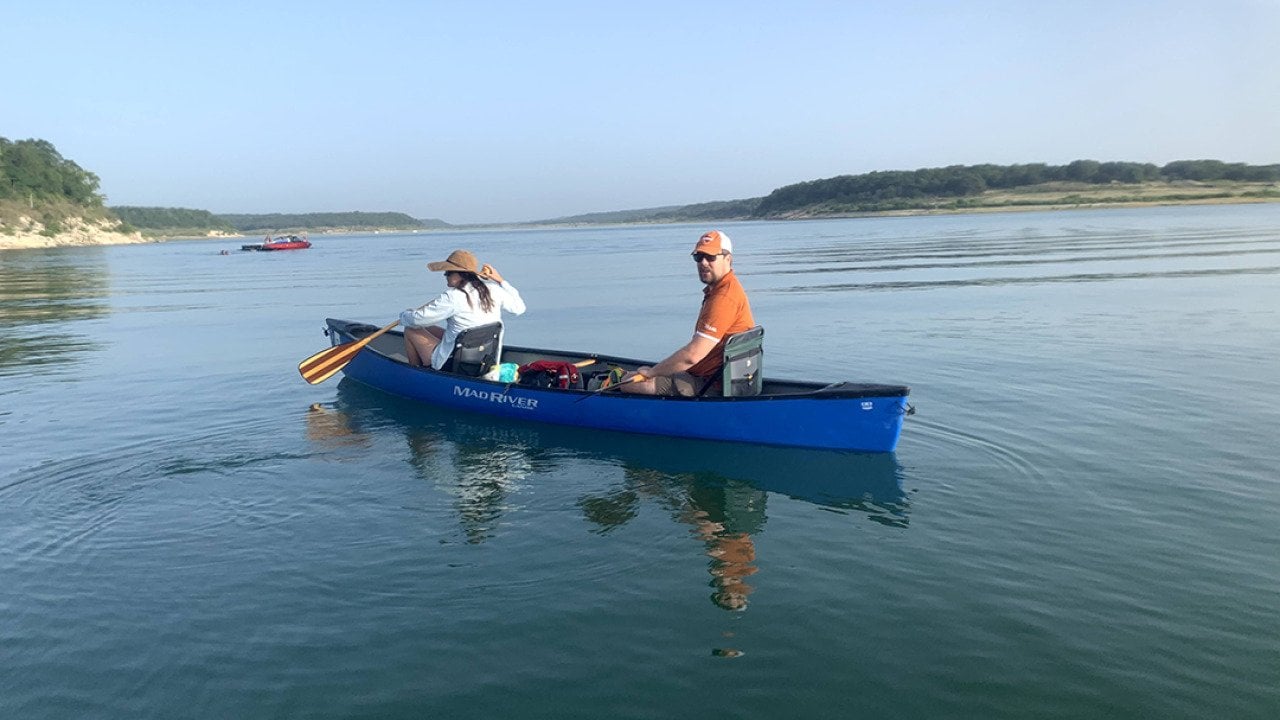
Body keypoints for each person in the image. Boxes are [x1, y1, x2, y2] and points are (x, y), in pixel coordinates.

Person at [622, 230, 754, 396]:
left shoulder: (724, 298)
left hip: (709, 384)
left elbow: (692, 356)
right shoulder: (723, 289)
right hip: (713, 376)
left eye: (711, 257)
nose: (703, 262)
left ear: (728, 259)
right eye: (699, 257)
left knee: (628, 383)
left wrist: (652, 373)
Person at [400, 249, 526, 370]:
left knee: (410, 329)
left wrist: (405, 315)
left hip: (454, 362)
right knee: (428, 327)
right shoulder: (494, 289)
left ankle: (415, 373)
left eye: (448, 272)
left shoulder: (453, 297)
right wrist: (501, 280)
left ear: (460, 274)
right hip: (486, 358)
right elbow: (519, 308)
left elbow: (416, 320)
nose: (445, 275)